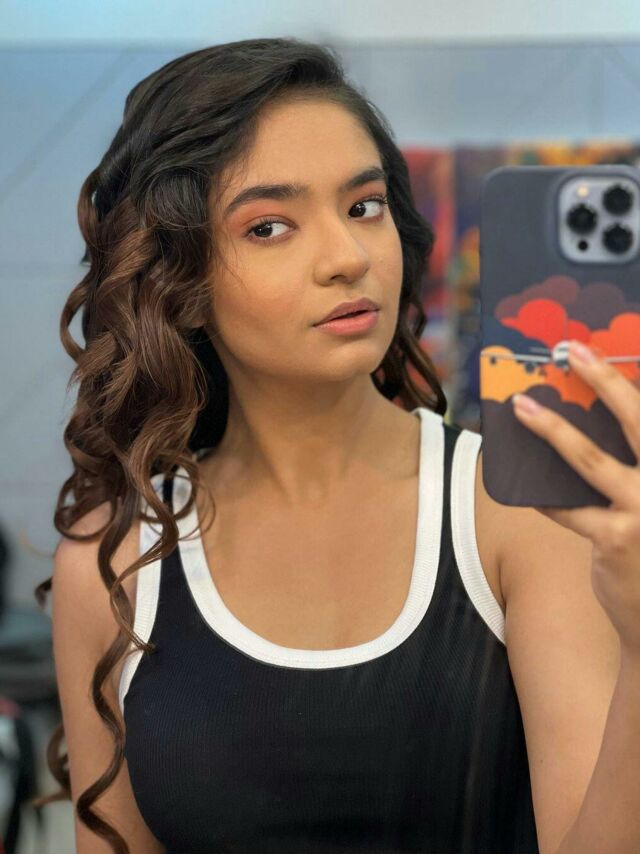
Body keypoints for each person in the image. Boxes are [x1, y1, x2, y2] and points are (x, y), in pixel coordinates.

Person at [32, 39, 627, 854]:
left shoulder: (514, 511)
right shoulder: (114, 560)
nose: (348, 258)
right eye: (269, 226)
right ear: (179, 283)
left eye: (364, 206)